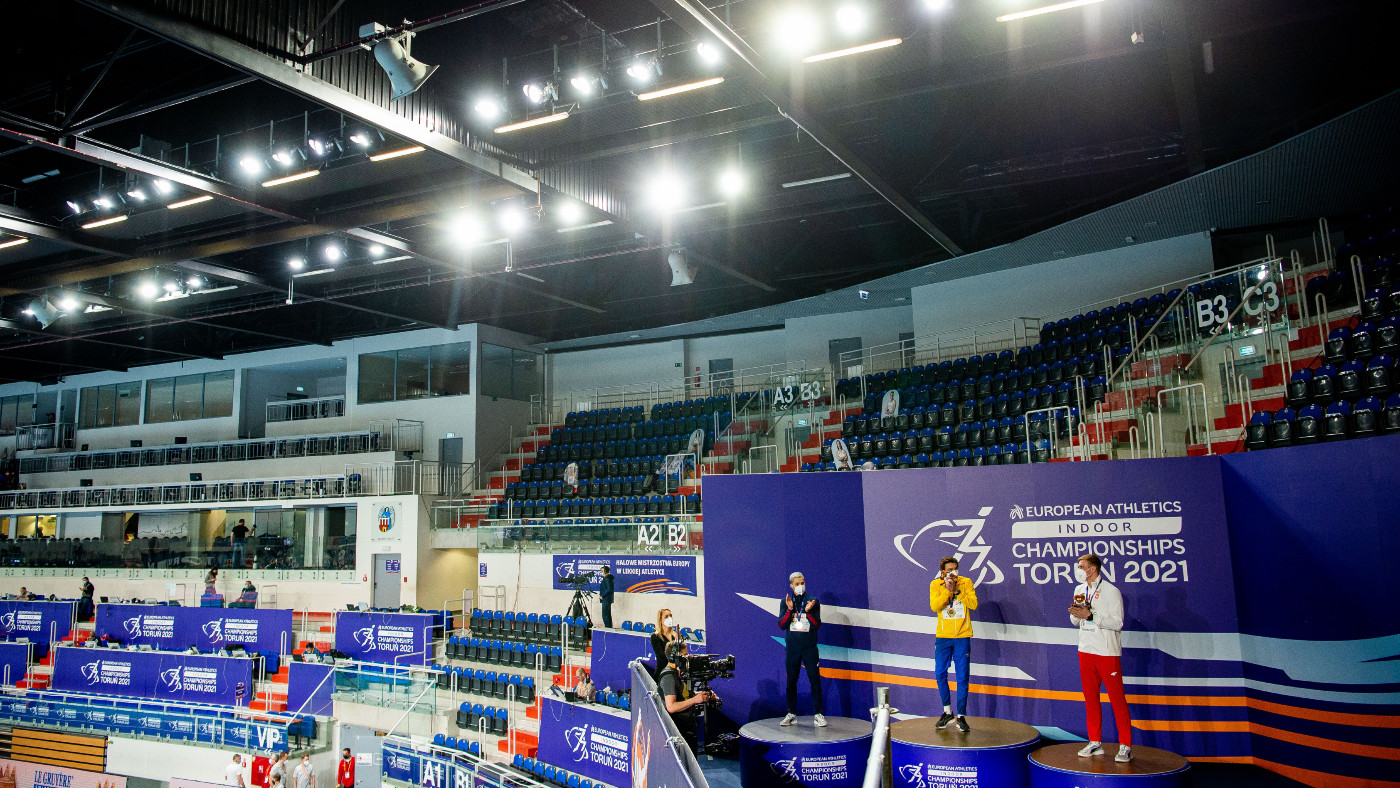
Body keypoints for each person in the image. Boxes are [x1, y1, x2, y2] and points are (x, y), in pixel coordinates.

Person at [1069, 553, 1132, 763]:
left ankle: (1125, 745)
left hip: (1106, 653)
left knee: (1117, 699)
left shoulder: (1111, 591)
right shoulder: (1079, 590)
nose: (1078, 570)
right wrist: (1077, 614)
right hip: (1085, 650)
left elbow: (1118, 623)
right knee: (1091, 699)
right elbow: (1075, 621)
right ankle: (1095, 742)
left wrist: (1091, 615)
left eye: (1081, 566)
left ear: (1093, 569)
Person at [930, 557, 978, 733]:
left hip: (962, 636)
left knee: (962, 677)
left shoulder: (966, 582)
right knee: (940, 673)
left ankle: (961, 716)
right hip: (943, 637)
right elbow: (935, 606)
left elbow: (974, 604)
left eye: (955, 569)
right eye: (949, 570)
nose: (953, 573)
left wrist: (958, 591)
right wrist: (947, 591)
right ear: (942, 572)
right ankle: (947, 712)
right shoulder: (935, 585)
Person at [777, 571, 825, 727]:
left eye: (802, 583)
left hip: (810, 647)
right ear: (791, 585)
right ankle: (791, 713)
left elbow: (817, 625)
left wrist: (808, 612)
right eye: (797, 584)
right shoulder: (785, 601)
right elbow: (781, 625)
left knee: (815, 681)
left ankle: (818, 714)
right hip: (793, 648)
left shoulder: (813, 601)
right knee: (791, 681)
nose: (800, 586)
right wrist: (790, 610)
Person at [658, 639, 714, 751]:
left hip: (688, 725)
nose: (688, 658)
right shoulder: (668, 677)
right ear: (675, 657)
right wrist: (695, 700)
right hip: (678, 730)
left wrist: (702, 695)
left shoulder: (680, 672)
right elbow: (671, 707)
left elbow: (684, 694)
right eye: (685, 655)